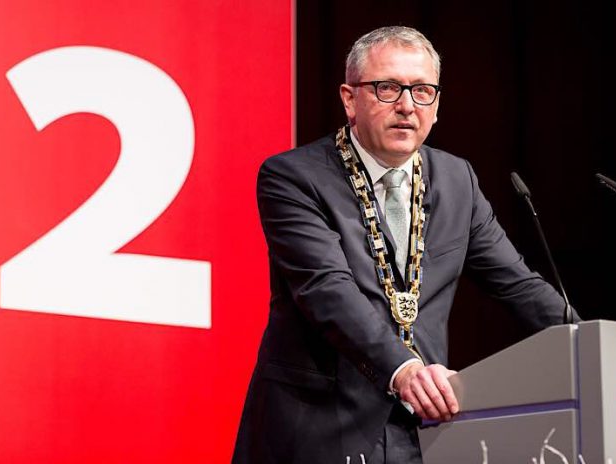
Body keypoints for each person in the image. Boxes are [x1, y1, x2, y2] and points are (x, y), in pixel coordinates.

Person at [232, 26, 577, 464]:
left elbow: (519, 286)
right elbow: (327, 290)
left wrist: (592, 345)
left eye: (422, 91)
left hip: (419, 434)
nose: (407, 106)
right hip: (316, 429)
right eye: (388, 88)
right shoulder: (293, 178)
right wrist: (405, 369)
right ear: (349, 98)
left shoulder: (457, 181)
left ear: (437, 104)